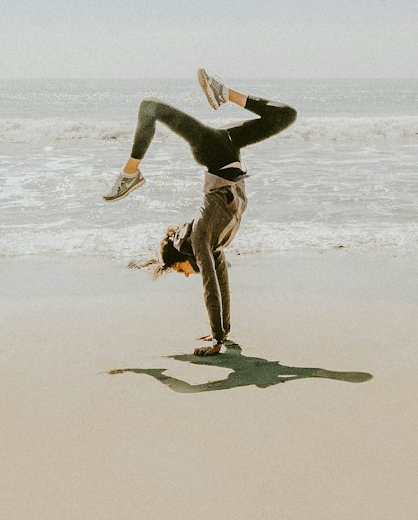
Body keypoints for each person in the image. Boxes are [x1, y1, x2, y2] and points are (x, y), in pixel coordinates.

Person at [103, 70, 297, 355]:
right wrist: (222, 333)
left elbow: (209, 287)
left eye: (179, 269)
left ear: (181, 254)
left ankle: (130, 174)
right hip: (226, 153)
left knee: (151, 107)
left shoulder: (200, 239)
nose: (184, 274)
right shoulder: (213, 244)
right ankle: (225, 94)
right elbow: (222, 285)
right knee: (286, 115)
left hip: (216, 154)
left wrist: (217, 344)